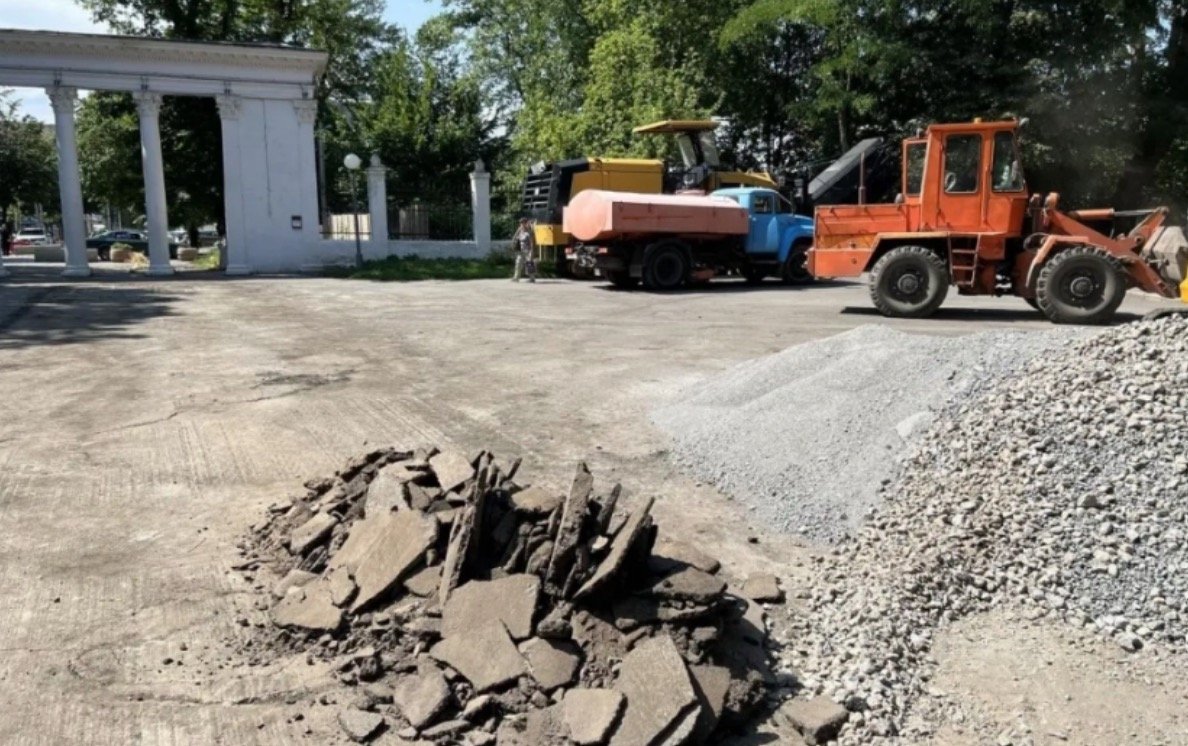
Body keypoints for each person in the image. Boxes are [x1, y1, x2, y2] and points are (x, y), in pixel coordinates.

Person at [511, 217, 538, 283]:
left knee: (529, 264)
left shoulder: (529, 231)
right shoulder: (519, 230)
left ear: (526, 223)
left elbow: (532, 242)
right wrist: (513, 244)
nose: (522, 224)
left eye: (523, 223)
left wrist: (532, 251)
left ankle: (532, 278)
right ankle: (516, 278)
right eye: (521, 223)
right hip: (521, 250)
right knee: (518, 263)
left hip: (528, 250)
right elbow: (514, 238)